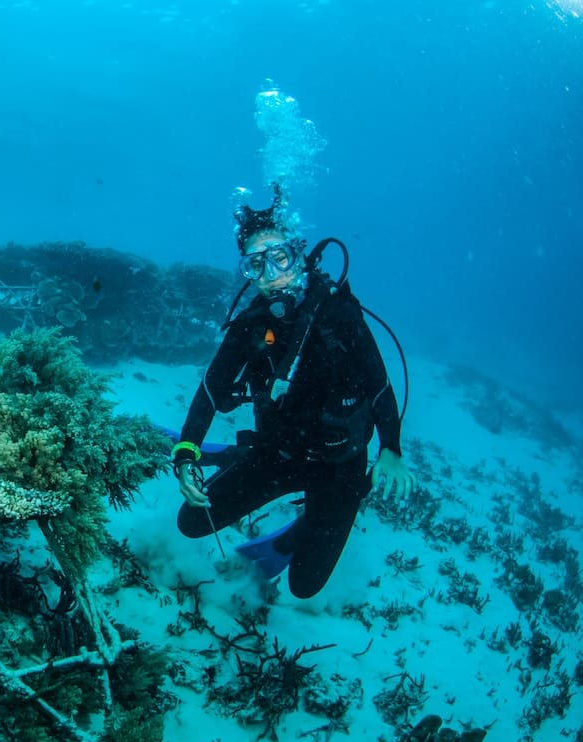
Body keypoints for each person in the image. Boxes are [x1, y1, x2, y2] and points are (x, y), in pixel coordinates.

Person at [173, 187, 415, 598]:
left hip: (339, 467)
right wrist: (185, 451)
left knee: (304, 586)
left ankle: (306, 524)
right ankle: (235, 455)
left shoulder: (340, 313)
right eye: (256, 264)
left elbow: (380, 386)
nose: (271, 274)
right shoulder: (251, 325)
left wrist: (390, 447)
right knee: (191, 523)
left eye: (280, 257)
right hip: (277, 454)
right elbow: (211, 391)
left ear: (299, 254)